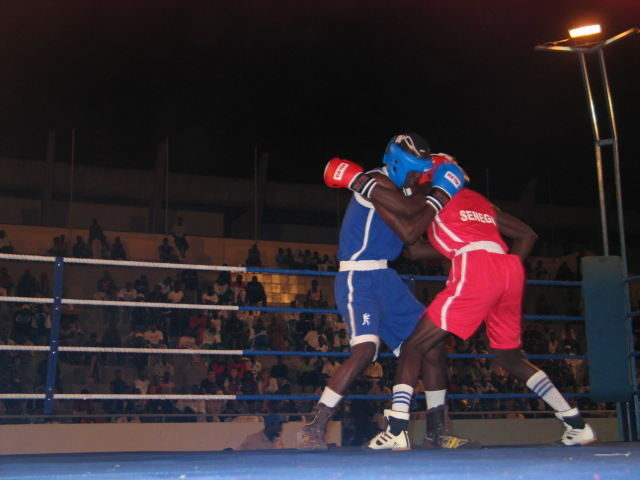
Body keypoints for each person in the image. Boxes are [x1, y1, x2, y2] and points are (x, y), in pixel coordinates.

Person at [357, 152, 596, 448]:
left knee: (413, 346)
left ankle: (394, 432)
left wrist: (363, 185)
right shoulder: (480, 200)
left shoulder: (430, 194)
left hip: (476, 268)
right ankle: (575, 423)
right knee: (510, 358)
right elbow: (527, 235)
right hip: (507, 270)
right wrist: (499, 274)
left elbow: (412, 244)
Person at [296, 133, 466, 450]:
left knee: (432, 347)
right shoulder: (375, 181)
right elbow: (412, 214)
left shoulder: (404, 189)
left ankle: (437, 429)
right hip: (357, 276)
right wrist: (440, 190)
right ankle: (314, 425)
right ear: (399, 164)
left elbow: (413, 249)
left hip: (387, 278)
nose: (417, 178)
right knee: (365, 351)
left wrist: (460, 249)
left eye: (421, 172)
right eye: (415, 171)